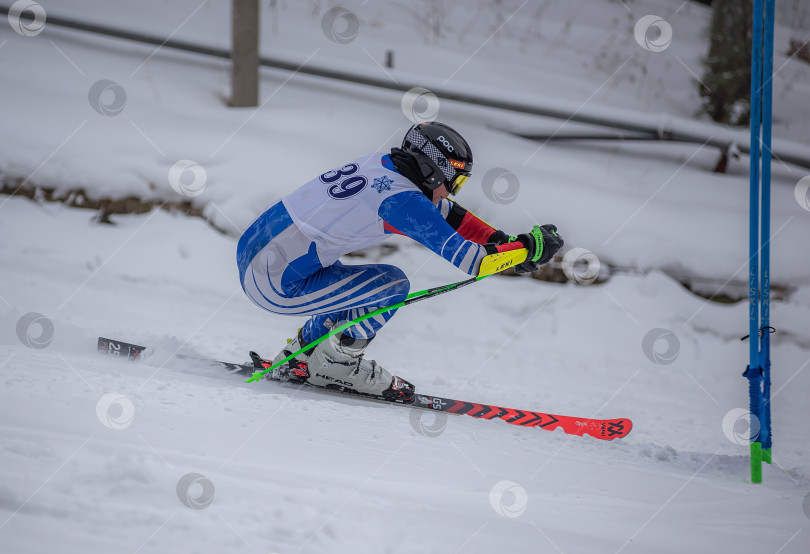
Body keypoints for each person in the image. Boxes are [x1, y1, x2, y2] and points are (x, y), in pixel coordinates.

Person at [236, 122, 563, 401]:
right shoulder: (403, 200)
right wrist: (526, 250)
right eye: (456, 182)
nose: (451, 193)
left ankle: (302, 359)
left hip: (261, 255)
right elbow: (473, 262)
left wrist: (506, 243)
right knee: (390, 285)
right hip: (274, 283)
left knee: (353, 288)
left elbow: (450, 216)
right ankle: (337, 366)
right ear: (435, 173)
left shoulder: (384, 165)